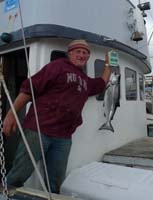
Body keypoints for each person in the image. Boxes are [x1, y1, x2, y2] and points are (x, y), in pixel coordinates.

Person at [3, 39, 111, 193]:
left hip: (63, 137)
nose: (81, 55)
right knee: (19, 174)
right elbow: (29, 88)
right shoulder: (58, 66)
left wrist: (108, 65)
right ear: (70, 53)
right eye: (78, 51)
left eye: (85, 52)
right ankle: (5, 193)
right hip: (38, 130)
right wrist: (11, 114)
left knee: (55, 182)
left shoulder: (85, 81)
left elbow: (101, 83)